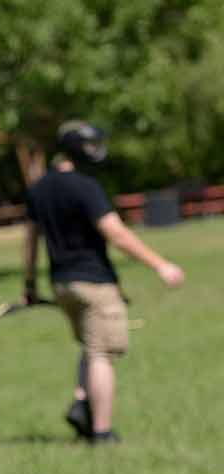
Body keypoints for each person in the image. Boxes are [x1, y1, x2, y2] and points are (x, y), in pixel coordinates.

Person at [22, 120, 184, 444]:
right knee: (102, 355)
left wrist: (29, 283)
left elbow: (30, 240)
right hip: (94, 282)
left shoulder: (39, 188)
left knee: (91, 346)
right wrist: (160, 264)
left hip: (62, 284)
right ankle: (102, 431)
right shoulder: (85, 186)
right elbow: (117, 234)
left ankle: (83, 403)